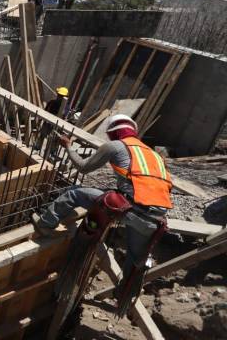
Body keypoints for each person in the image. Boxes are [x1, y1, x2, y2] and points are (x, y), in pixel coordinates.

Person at [32, 114, 172, 283]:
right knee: (136, 260)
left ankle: (45, 225)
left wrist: (68, 146)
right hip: (155, 220)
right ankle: (125, 293)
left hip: (129, 209)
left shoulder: (115, 146)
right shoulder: (155, 156)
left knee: (74, 193)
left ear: (113, 133)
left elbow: (83, 167)